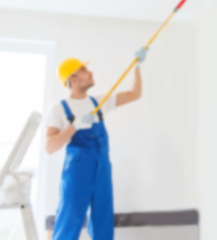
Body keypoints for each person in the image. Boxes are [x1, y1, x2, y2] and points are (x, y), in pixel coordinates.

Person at [45, 47, 148, 240]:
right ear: (73, 79)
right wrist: (74, 126)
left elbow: (135, 94)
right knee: (69, 220)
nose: (90, 72)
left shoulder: (99, 102)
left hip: (102, 167)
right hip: (77, 170)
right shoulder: (58, 109)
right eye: (84, 70)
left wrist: (137, 67)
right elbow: (50, 147)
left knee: (103, 221)